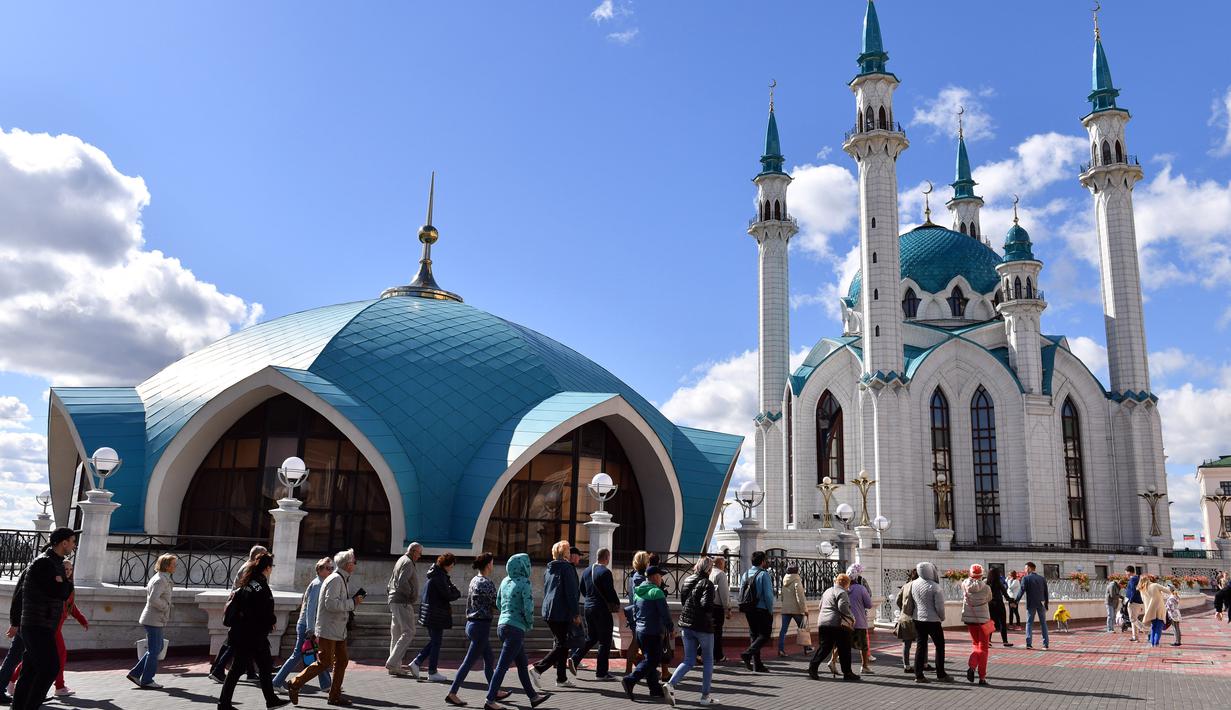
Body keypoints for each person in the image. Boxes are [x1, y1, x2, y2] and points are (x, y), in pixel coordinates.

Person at [287, 548, 365, 707]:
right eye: (354, 562)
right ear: (347, 564)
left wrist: (351, 602)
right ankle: (295, 683)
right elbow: (331, 604)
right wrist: (352, 602)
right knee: (324, 662)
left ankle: (334, 696)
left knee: (342, 661)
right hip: (329, 630)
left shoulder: (340, 578)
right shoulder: (336, 579)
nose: (355, 565)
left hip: (337, 629)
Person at [11, 527, 76, 710]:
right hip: (36, 625)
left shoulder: (55, 563)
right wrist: (65, 583)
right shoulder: (44, 563)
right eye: (72, 541)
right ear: (64, 543)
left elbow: (63, 590)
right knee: (50, 668)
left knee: (30, 670)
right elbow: (58, 592)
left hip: (42, 625)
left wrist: (63, 582)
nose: (74, 545)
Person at [217, 553, 289, 710]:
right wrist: (271, 621)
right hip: (252, 635)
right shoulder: (261, 586)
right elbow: (262, 611)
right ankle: (224, 704)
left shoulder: (249, 582)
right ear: (267, 568)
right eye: (271, 567)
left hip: (246, 633)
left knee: (263, 666)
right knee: (239, 669)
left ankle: (270, 700)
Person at [11, 559, 88, 698]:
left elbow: (71, 606)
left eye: (70, 570)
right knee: (56, 656)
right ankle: (58, 687)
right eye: (65, 569)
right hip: (50, 627)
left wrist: (81, 619)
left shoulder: (67, 585)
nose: (68, 572)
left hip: (54, 627)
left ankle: (12, 681)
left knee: (35, 657)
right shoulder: (55, 583)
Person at [483, 554, 550, 710]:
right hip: (515, 628)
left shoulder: (505, 581)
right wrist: (529, 623)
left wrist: (507, 612)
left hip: (502, 626)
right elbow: (528, 606)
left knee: (522, 664)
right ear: (524, 566)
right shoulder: (525, 582)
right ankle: (490, 700)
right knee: (502, 666)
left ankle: (533, 697)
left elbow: (498, 602)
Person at [447, 553, 511, 707]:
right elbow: (497, 604)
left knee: (489, 658)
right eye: (492, 562)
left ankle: (494, 690)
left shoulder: (474, 580)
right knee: (468, 662)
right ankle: (452, 693)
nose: (493, 565)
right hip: (480, 626)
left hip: (472, 624)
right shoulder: (486, 583)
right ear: (488, 564)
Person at [210, 545, 270, 683]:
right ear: (258, 556)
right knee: (235, 643)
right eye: (264, 555)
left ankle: (250, 672)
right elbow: (246, 591)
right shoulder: (248, 569)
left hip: (241, 611)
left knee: (238, 642)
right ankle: (218, 670)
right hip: (240, 612)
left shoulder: (250, 568)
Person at [273, 557, 333, 692]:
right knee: (299, 655)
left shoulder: (321, 583)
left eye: (331, 568)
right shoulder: (318, 584)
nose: (330, 571)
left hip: (309, 626)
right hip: (307, 627)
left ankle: (326, 685)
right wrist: (311, 630)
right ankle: (276, 682)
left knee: (318, 655)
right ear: (319, 570)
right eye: (327, 568)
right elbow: (311, 609)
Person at [666, 557, 717, 705]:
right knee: (708, 660)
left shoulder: (687, 580)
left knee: (688, 660)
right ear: (708, 569)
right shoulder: (707, 583)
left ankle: (670, 683)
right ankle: (705, 697)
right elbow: (706, 606)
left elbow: (684, 601)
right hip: (703, 627)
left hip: (686, 625)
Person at [530, 541, 580, 690]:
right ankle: (538, 669)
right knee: (562, 644)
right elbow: (571, 593)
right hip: (562, 612)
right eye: (568, 551)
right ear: (565, 553)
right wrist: (575, 613)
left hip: (549, 610)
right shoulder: (567, 568)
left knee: (562, 643)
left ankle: (561, 678)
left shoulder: (549, 568)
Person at [621, 566, 674, 703]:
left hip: (640, 631)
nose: (661, 579)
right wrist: (671, 629)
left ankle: (654, 689)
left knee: (649, 660)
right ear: (655, 577)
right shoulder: (657, 592)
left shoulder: (638, 590)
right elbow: (665, 614)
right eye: (660, 576)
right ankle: (630, 680)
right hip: (652, 631)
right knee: (653, 660)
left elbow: (635, 610)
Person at [569, 547, 621, 680]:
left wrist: (589, 599)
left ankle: (575, 658)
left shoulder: (587, 570)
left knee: (592, 637)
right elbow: (610, 592)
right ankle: (602, 673)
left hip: (588, 608)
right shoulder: (605, 572)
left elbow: (582, 588)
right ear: (607, 557)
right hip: (602, 609)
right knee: (605, 641)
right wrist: (616, 603)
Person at [414, 553, 462, 684]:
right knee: (436, 642)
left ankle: (417, 663)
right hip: (435, 614)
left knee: (435, 641)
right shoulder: (439, 577)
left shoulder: (436, 575)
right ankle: (431, 671)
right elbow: (448, 595)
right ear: (447, 564)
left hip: (432, 613)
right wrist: (456, 592)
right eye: (452, 565)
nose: (452, 567)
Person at [806, 573, 859, 682]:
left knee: (824, 647)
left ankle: (813, 666)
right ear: (846, 584)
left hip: (823, 622)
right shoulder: (842, 592)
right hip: (837, 624)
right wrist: (852, 617)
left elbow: (820, 606)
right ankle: (847, 673)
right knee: (844, 648)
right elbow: (843, 607)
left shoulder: (827, 591)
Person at [911, 561, 952, 683]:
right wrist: (942, 617)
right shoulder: (935, 587)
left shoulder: (914, 584)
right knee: (939, 646)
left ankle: (918, 675)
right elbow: (939, 607)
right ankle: (941, 674)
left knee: (921, 646)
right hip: (933, 620)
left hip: (918, 618)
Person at [385, 542, 422, 677]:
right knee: (409, 631)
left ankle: (395, 667)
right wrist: (411, 595)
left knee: (397, 633)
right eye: (419, 553)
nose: (420, 556)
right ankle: (392, 662)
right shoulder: (408, 562)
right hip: (402, 601)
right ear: (413, 551)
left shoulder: (401, 560)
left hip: (395, 600)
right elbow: (402, 582)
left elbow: (391, 582)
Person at [738, 551, 774, 673]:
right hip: (762, 609)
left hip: (749, 609)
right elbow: (768, 596)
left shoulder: (746, 574)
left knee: (754, 635)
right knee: (765, 635)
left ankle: (757, 665)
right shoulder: (764, 574)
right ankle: (747, 654)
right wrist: (770, 610)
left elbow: (741, 591)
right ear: (762, 561)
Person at [960, 564, 993, 686]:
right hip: (983, 620)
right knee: (983, 648)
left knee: (975, 644)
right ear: (981, 575)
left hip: (970, 620)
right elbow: (989, 599)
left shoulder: (964, 585)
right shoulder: (986, 588)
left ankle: (972, 666)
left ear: (970, 574)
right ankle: (981, 676)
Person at [623, 551, 650, 675]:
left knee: (638, 642)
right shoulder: (640, 578)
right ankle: (630, 670)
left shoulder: (634, 575)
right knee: (636, 642)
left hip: (636, 613)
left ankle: (637, 669)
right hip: (639, 614)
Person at [844, 565, 874, 674]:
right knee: (863, 646)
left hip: (846, 622)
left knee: (844, 645)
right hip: (859, 621)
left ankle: (833, 662)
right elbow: (869, 604)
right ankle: (864, 666)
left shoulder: (843, 589)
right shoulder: (861, 588)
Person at [1014, 561, 1050, 650]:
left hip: (1031, 603)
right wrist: (1046, 603)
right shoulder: (1042, 578)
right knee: (1043, 623)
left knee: (1029, 623)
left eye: (1025, 568)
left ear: (1029, 568)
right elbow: (1046, 592)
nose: (1024, 570)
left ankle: (1029, 643)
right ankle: (1045, 644)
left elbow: (1022, 590)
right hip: (1041, 602)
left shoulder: (1026, 578)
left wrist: (1016, 601)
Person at [776, 564, 809, 657]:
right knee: (803, 629)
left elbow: (782, 596)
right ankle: (807, 648)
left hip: (785, 609)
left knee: (783, 630)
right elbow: (800, 597)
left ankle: (781, 650)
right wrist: (805, 609)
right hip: (796, 610)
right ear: (796, 571)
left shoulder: (784, 581)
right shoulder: (797, 581)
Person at [894, 569, 921, 674]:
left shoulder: (905, 586)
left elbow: (897, 600)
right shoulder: (920, 586)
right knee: (922, 642)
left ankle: (907, 665)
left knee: (906, 643)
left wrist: (903, 609)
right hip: (917, 618)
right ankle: (923, 664)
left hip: (905, 617)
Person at [708, 556, 731, 663]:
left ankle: (712, 654)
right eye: (724, 563)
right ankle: (718, 655)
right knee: (717, 632)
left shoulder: (709, 573)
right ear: (721, 564)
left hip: (709, 606)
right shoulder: (721, 574)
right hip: (717, 607)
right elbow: (724, 593)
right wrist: (727, 608)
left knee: (711, 632)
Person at [986, 567, 1012, 647]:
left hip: (990, 603)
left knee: (990, 622)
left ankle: (988, 641)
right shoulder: (999, 582)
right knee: (1002, 622)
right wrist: (1011, 600)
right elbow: (1005, 593)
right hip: (999, 603)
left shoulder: (986, 582)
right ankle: (1005, 641)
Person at [1140, 575, 1167, 647]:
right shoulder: (1155, 585)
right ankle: (1156, 643)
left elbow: (1143, 601)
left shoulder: (1142, 589)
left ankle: (1152, 643)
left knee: (1153, 627)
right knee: (1159, 627)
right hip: (1159, 609)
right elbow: (1168, 591)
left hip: (1150, 611)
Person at [1125, 565, 1144, 642]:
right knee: (1134, 619)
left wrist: (1130, 600)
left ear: (1129, 572)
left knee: (1132, 619)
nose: (1126, 575)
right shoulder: (1138, 578)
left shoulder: (1132, 579)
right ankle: (1135, 637)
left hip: (1133, 602)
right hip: (1138, 601)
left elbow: (1133, 590)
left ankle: (1145, 629)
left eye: (1126, 573)